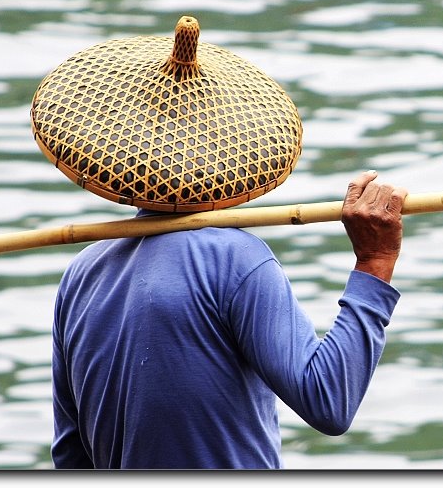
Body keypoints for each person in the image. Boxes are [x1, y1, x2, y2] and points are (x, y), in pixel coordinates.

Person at [52, 169, 408, 469]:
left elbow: (71, 457)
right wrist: (375, 261)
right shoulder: (234, 257)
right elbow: (329, 400)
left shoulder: (82, 273)